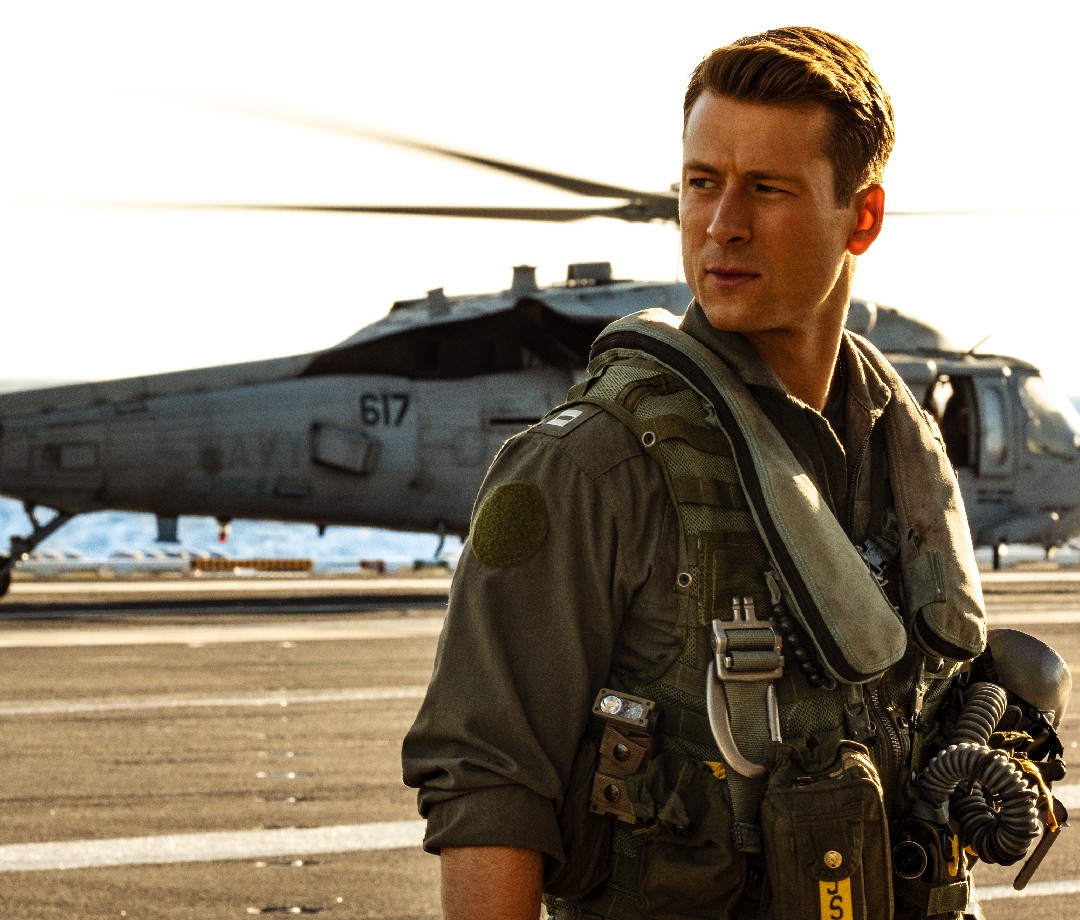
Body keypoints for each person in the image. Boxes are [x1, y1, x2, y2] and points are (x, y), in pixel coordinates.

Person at [402, 27, 991, 920]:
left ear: (860, 217)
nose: (723, 226)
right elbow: (489, 784)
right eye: (702, 184)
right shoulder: (585, 467)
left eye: (767, 189)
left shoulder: (900, 455)